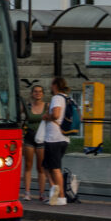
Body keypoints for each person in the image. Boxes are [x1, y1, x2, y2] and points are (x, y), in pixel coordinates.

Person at [42, 77, 71, 206]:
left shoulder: (57, 98)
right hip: (64, 138)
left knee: (55, 168)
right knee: (45, 166)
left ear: (55, 85)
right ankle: (54, 193)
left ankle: (61, 197)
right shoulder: (69, 99)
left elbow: (56, 115)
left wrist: (47, 116)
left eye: (51, 84)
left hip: (54, 138)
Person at [21, 84, 47, 200]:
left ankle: (41, 193)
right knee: (28, 165)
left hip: (42, 139)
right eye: (35, 91)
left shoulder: (47, 106)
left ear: (43, 94)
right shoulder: (27, 106)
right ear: (32, 93)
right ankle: (27, 193)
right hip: (29, 137)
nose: (38, 93)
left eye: (40, 91)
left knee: (41, 167)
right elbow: (15, 113)